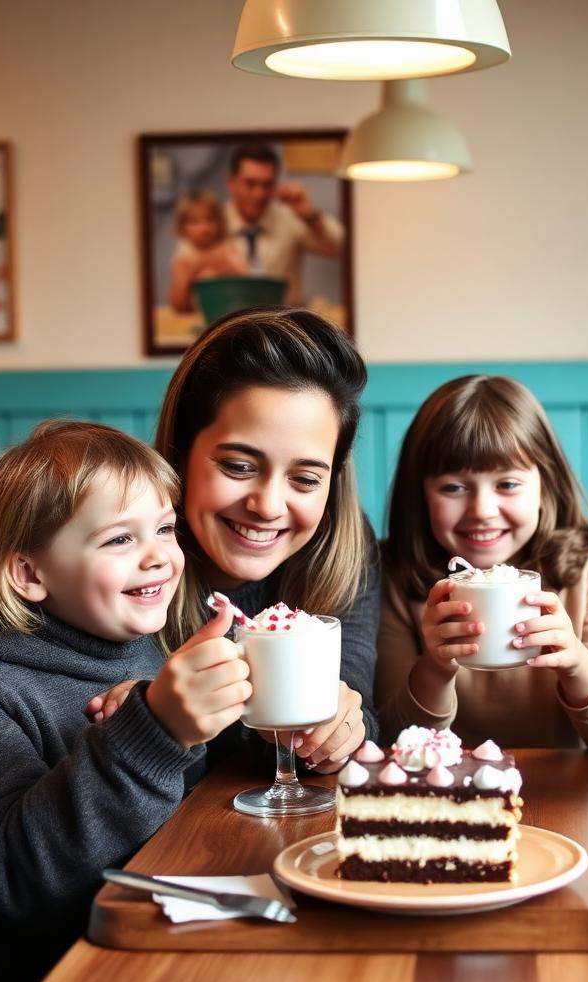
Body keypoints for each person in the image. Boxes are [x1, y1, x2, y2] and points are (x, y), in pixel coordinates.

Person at [0, 421, 251, 982]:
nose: (160, 557)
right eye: (119, 539)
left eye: (165, 527)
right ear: (31, 575)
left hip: (170, 943)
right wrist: (153, 734)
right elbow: (21, 873)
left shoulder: (124, 636)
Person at [92, 307, 376, 770]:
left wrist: (343, 728)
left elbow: (355, 693)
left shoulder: (342, 546)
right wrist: (150, 721)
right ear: (180, 454)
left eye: (305, 479)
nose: (267, 505)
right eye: (239, 467)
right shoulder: (120, 561)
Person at [377, 375, 588, 750]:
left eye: (508, 484)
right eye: (453, 487)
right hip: (447, 797)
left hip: (570, 796)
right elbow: (390, 737)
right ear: (420, 495)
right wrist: (435, 668)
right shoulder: (394, 575)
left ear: (545, 486)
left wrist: (576, 664)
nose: (482, 510)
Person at [223, 142, 343, 306]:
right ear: (232, 182)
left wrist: (310, 217)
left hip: (283, 325)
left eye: (267, 185)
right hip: (228, 325)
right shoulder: (211, 222)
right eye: (250, 184)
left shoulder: (289, 218)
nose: (259, 194)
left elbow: (340, 246)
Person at [168, 188, 249, 314]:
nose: (204, 228)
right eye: (194, 222)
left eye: (210, 220)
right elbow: (177, 304)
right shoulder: (184, 256)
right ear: (182, 227)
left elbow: (246, 285)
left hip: (229, 314)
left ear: (220, 222)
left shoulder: (228, 247)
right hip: (193, 316)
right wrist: (193, 270)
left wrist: (223, 266)